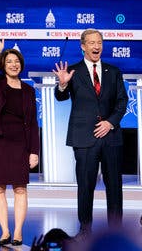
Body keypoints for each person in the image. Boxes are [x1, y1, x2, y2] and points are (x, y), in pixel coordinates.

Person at [53, 28, 127, 236]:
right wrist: (62, 84)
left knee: (115, 187)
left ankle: (116, 233)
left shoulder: (113, 72)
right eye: (92, 43)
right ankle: (85, 230)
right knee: (85, 186)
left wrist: (110, 123)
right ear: (83, 46)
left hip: (110, 137)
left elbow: (122, 102)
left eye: (99, 43)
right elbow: (61, 97)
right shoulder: (73, 72)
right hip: (84, 137)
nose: (97, 46)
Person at [0, 35, 40, 246]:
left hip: (20, 142)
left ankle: (18, 232)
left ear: (21, 65)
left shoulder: (29, 91)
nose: (13, 65)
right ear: (3, 66)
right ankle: (5, 232)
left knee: (20, 188)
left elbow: (33, 122)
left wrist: (34, 151)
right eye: (9, 62)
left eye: (16, 62)